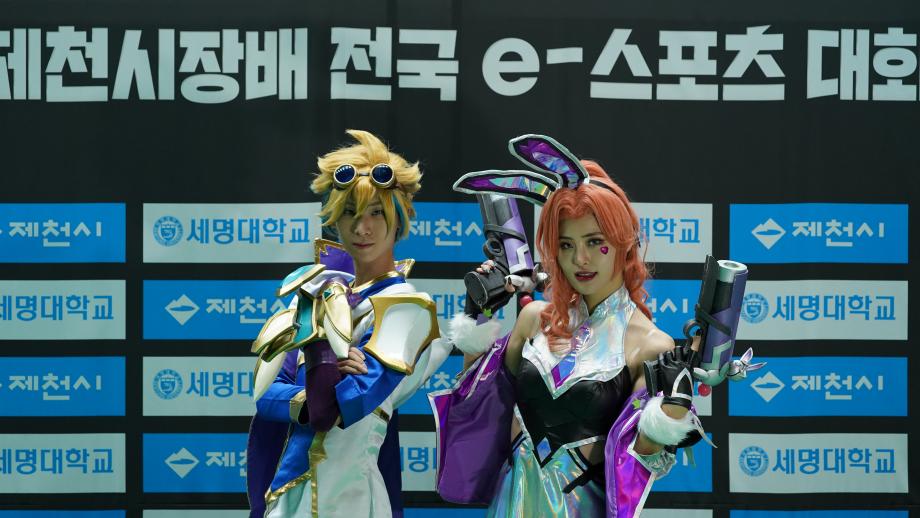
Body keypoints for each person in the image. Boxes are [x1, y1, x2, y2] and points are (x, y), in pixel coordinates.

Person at [440, 136, 711, 517]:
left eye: (595, 241)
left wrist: (673, 407)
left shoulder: (650, 344)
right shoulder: (534, 318)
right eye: (566, 245)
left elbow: (643, 460)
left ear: (624, 242)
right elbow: (479, 404)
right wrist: (479, 315)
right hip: (511, 503)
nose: (580, 258)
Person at [246, 129, 451, 518]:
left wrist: (317, 359)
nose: (362, 228)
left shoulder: (406, 306)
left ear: (399, 216)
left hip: (353, 497)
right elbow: (265, 396)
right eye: (350, 213)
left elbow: (343, 407)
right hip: (291, 493)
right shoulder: (315, 295)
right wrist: (322, 379)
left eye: (376, 213)